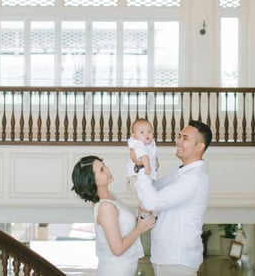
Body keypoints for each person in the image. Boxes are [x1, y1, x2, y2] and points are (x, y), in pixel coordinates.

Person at [134, 120, 212, 276]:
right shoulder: (181, 172)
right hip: (167, 258)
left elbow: (152, 201)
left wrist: (142, 166)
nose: (178, 141)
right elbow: (153, 189)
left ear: (199, 147)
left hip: (178, 260)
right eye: (179, 136)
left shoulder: (193, 179)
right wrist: (148, 160)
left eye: (185, 138)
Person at [72, 155, 155, 276]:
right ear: (91, 180)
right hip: (116, 270)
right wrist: (139, 229)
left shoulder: (109, 198)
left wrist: (139, 218)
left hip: (124, 267)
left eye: (104, 165)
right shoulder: (105, 206)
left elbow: (121, 227)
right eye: (101, 170)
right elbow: (117, 249)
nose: (107, 170)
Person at [125, 118, 159, 215]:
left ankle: (144, 216)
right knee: (144, 201)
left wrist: (157, 162)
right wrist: (147, 167)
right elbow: (144, 156)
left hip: (143, 177)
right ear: (134, 136)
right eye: (142, 132)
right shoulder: (138, 144)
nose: (146, 134)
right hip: (135, 178)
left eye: (149, 131)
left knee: (145, 200)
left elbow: (153, 155)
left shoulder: (150, 144)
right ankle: (145, 217)